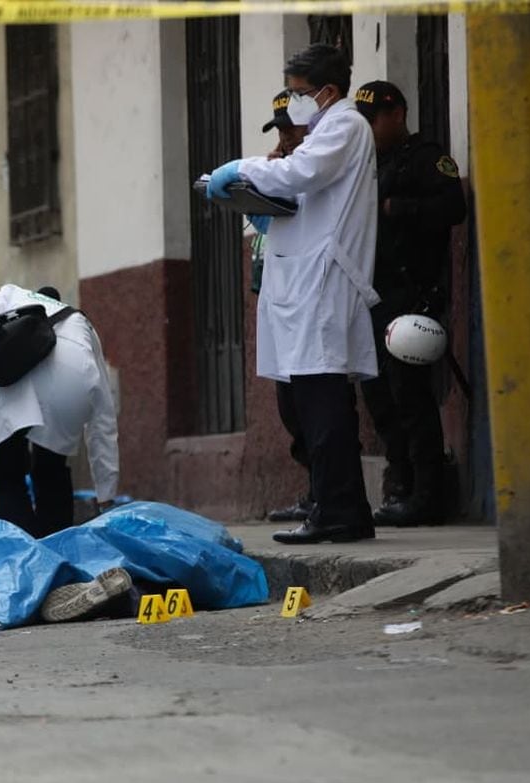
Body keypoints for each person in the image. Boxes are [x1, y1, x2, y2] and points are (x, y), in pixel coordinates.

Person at [207, 44, 379, 545]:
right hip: (303, 278)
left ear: (327, 91)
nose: (295, 102)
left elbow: (303, 174)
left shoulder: (345, 125)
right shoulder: (324, 131)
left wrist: (238, 169)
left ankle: (339, 512)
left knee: (323, 407)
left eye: (300, 93)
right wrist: (259, 201)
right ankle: (339, 508)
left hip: (321, 282)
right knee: (312, 404)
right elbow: (302, 188)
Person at [355, 81, 468, 527]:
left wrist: (396, 209)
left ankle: (427, 494)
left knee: (410, 396)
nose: (368, 130)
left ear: (397, 114)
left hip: (411, 296)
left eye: (373, 121)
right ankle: (400, 483)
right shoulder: (366, 163)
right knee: (379, 395)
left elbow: (452, 206)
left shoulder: (425, 157)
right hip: (375, 294)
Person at [0, 284, 119, 541]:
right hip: (73, 381)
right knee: (51, 469)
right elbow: (103, 418)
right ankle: (55, 556)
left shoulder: (9, 294)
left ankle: (19, 557)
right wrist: (106, 495)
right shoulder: (81, 323)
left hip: (17, 373)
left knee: (4, 472)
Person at [250, 90, 315, 525]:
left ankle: (324, 493)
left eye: (292, 129)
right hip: (278, 302)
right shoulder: (283, 169)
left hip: (307, 302)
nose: (286, 138)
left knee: (316, 407)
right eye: (281, 131)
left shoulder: (316, 168)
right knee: (290, 407)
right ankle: (312, 490)